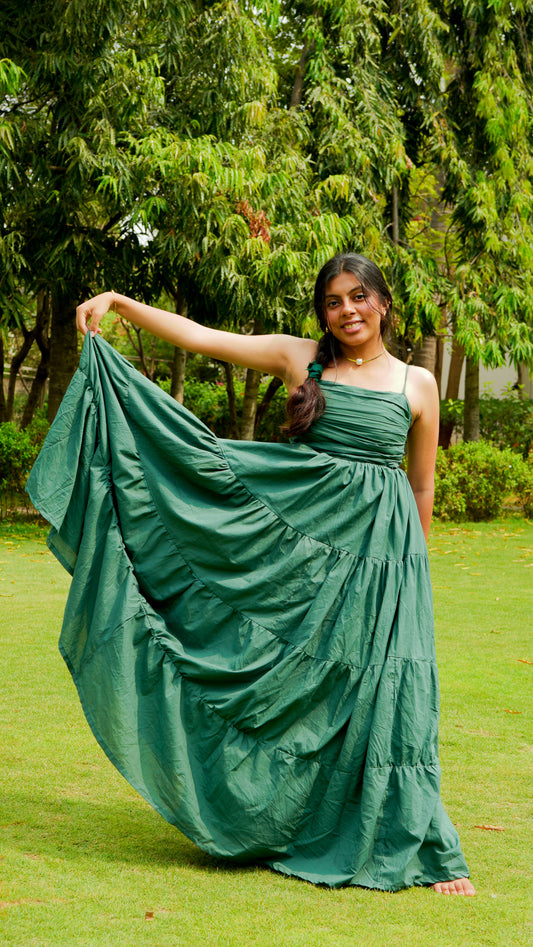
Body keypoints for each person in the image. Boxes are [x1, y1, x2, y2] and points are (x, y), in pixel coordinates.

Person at [28, 252, 474, 894]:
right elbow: (208, 338)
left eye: (357, 297)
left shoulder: (418, 382)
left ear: (383, 302)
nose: (346, 310)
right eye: (332, 301)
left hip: (386, 562)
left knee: (387, 693)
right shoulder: (303, 359)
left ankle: (413, 833)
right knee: (296, 683)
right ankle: (277, 814)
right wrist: (120, 302)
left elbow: (422, 485)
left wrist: (412, 568)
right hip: (308, 555)